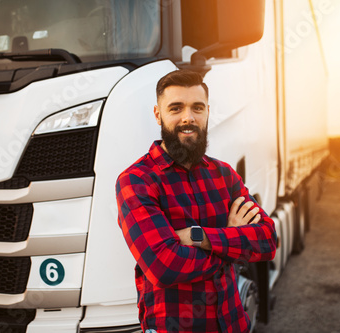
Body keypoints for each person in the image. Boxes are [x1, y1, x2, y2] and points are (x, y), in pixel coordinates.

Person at [115, 70, 277, 333]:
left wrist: (197, 236)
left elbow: (267, 239)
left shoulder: (224, 175)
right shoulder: (137, 181)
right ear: (158, 114)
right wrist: (231, 242)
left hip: (233, 324)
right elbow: (164, 266)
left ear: (207, 112)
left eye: (197, 108)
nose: (188, 118)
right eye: (176, 108)